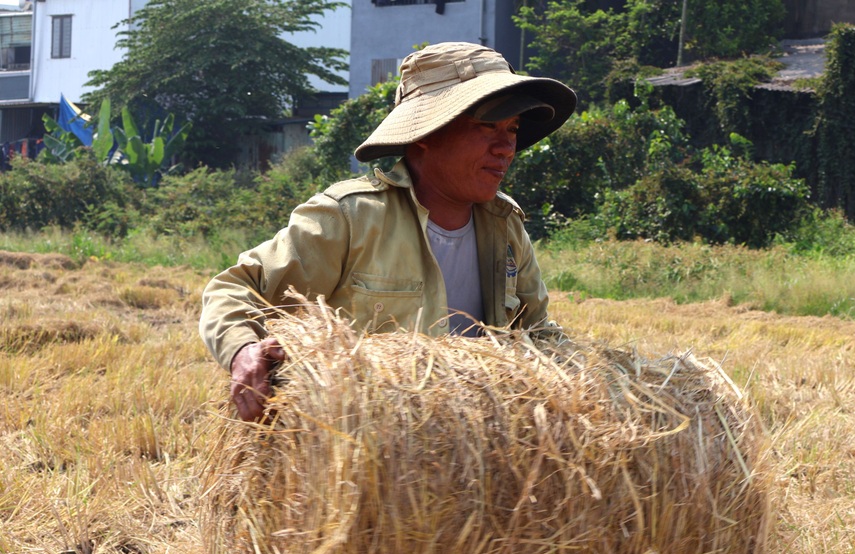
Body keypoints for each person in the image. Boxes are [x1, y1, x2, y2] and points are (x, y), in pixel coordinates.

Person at [198, 42, 577, 422]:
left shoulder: (505, 224)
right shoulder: (351, 217)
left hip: (471, 454)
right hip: (364, 451)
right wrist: (242, 351)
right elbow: (233, 289)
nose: (506, 147)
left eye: (512, 129)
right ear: (428, 132)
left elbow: (535, 333)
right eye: (488, 126)